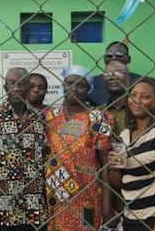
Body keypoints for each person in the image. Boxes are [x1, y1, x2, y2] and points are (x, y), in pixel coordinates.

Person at [0, 67, 48, 231]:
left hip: (36, 208)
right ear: (5, 87)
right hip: (4, 210)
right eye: (12, 83)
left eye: (22, 84)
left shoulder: (39, 119)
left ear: (28, 88)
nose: (17, 88)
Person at [108, 77, 155, 231]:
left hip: (154, 220)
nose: (137, 101)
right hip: (130, 218)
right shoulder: (125, 135)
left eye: (145, 96)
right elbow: (118, 183)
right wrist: (114, 166)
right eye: (133, 95)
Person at [45, 65, 113, 231]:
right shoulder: (50, 117)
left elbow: (105, 164)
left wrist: (106, 205)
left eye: (80, 85)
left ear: (88, 89)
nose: (73, 88)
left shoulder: (97, 118)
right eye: (69, 83)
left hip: (87, 196)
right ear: (63, 85)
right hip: (55, 197)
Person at [89, 42, 141, 106]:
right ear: (104, 59)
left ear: (129, 59)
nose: (113, 58)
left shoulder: (139, 81)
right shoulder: (94, 81)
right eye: (109, 56)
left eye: (119, 55)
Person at [97, 60, 133, 139]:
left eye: (118, 73)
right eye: (107, 74)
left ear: (128, 77)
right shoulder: (99, 111)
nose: (112, 77)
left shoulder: (138, 108)